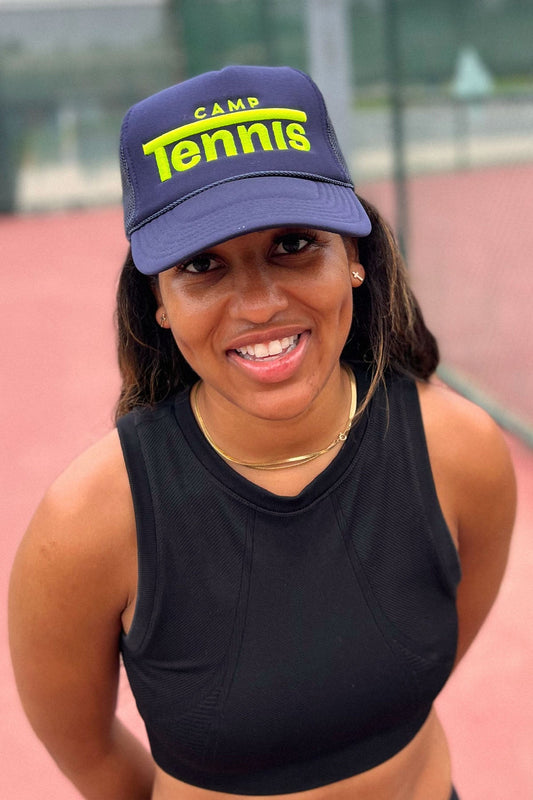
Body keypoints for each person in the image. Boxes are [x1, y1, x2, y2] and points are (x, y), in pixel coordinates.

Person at [9, 65, 516, 800]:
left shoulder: (458, 450)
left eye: (292, 244)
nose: (257, 303)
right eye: (202, 264)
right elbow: (91, 759)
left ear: (354, 260)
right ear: (159, 302)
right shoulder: (86, 524)